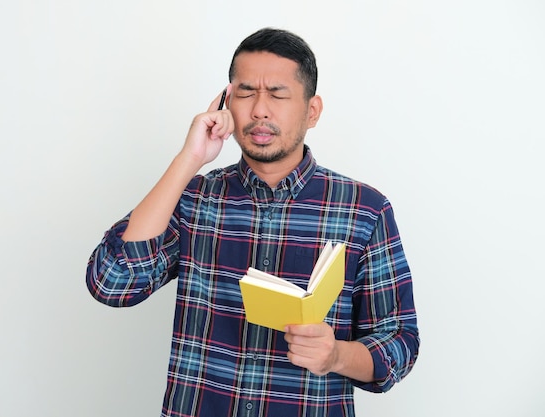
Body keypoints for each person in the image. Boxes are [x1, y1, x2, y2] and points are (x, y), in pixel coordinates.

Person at [86, 27, 419, 417]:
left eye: (277, 93)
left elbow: (400, 341)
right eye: (246, 92)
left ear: (312, 111)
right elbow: (112, 283)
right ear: (227, 102)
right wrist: (189, 159)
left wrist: (336, 357)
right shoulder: (195, 198)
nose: (260, 109)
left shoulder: (365, 209)